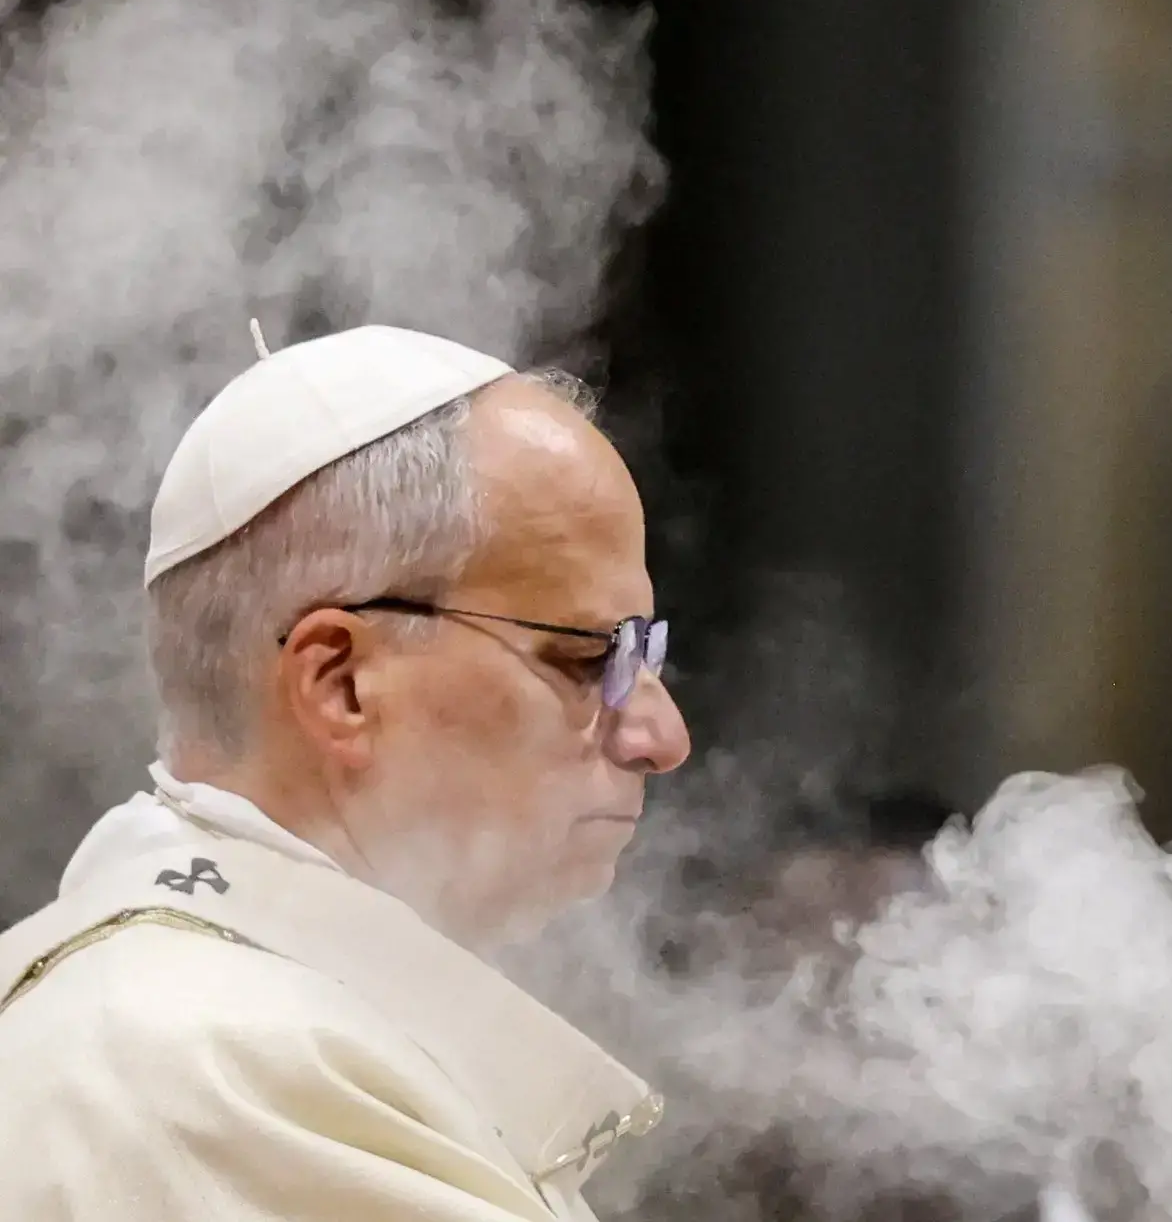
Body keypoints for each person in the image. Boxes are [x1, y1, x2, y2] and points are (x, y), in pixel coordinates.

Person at [0, 324, 691, 1221]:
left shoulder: (236, 1016)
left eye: (649, 653)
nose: (659, 734)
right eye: (587, 656)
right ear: (343, 684)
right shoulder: (219, 1070)